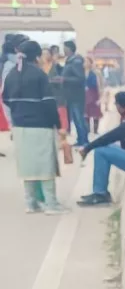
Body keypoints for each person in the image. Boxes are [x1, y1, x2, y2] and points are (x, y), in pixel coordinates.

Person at [2, 40, 69, 214]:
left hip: (20, 127)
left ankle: (31, 203)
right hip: (41, 126)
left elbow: (6, 100)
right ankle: (51, 204)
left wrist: (16, 117)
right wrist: (58, 124)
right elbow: (48, 103)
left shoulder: (12, 75)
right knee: (45, 165)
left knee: (27, 166)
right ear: (37, 56)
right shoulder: (39, 75)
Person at [77, 91, 125, 206]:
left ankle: (100, 193)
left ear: (121, 106)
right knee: (105, 147)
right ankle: (100, 192)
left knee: (101, 150)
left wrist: (88, 148)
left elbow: (110, 137)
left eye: (117, 105)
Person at [61, 39, 88, 147]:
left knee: (79, 118)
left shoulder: (76, 61)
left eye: (65, 48)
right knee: (76, 119)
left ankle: (84, 140)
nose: (63, 50)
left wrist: (65, 79)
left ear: (69, 49)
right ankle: (80, 139)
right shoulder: (69, 61)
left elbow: (80, 78)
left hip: (77, 95)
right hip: (71, 95)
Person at [84, 56, 102, 135]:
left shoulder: (96, 72)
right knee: (86, 112)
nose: (86, 63)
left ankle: (95, 130)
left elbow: (100, 84)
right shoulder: (81, 73)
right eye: (84, 61)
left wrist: (101, 95)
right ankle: (87, 130)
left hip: (94, 94)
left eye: (87, 61)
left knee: (95, 112)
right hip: (85, 95)